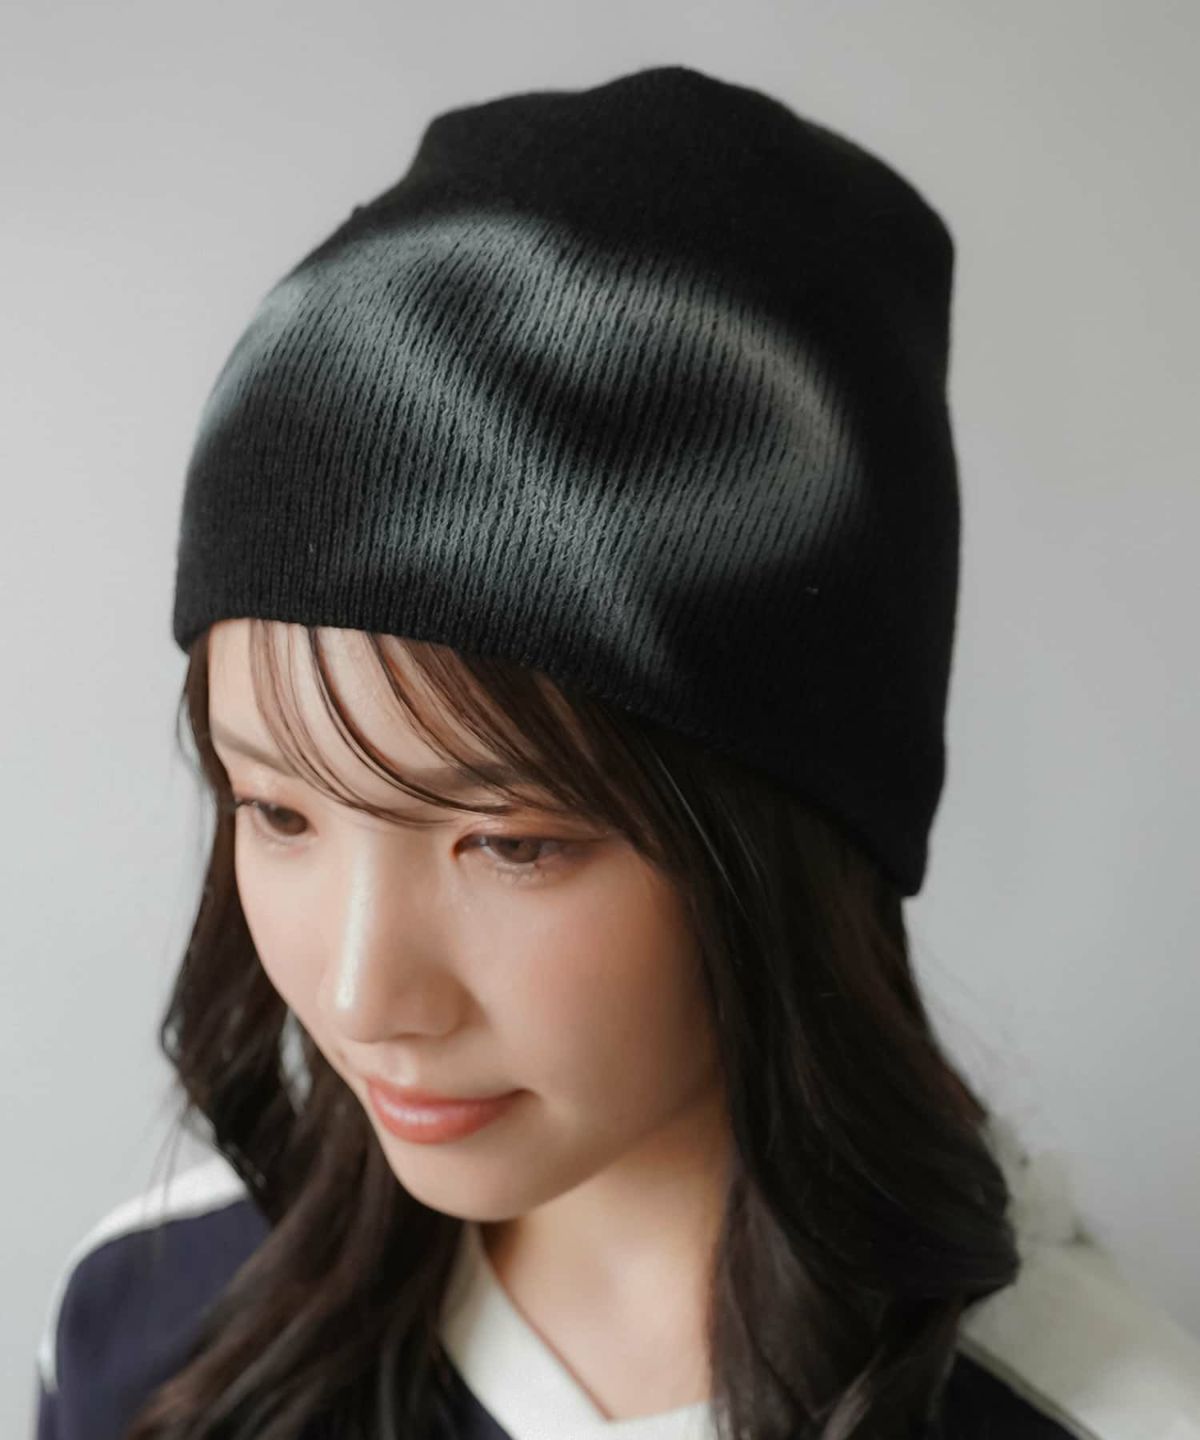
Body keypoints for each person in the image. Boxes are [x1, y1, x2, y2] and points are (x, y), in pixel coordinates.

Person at [32, 64, 1200, 1440]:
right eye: (279, 813)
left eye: (510, 842)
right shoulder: (149, 1325)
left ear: (787, 838)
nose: (362, 996)